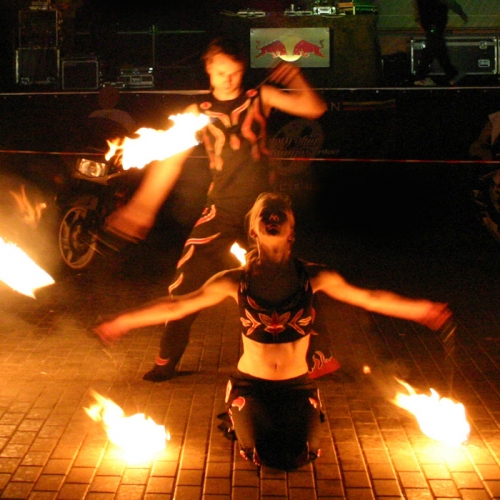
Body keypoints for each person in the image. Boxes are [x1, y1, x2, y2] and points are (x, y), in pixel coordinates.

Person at [94, 192, 453, 471]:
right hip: (252, 383)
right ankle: (237, 414)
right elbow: (176, 306)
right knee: (261, 455)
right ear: (253, 231)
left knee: (301, 455)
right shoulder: (233, 282)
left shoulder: (314, 277)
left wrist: (419, 310)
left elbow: (369, 298)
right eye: (265, 213)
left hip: (298, 384)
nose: (272, 215)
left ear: (291, 231)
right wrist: (124, 321)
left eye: (279, 213)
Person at [101, 36, 330, 382]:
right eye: (222, 71)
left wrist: (295, 76)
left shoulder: (259, 98)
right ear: (209, 69)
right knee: (184, 286)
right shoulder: (196, 114)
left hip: (261, 213)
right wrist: (142, 208)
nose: (229, 79)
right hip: (219, 211)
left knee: (292, 283)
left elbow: (315, 109)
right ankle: (166, 361)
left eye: (235, 72)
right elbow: (170, 162)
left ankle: (318, 358)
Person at [412, 0, 468, 86]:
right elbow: (449, 2)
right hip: (436, 22)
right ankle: (420, 77)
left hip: (429, 23)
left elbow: (416, 5)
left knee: (438, 50)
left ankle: (453, 75)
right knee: (432, 50)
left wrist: (419, 19)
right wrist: (461, 13)